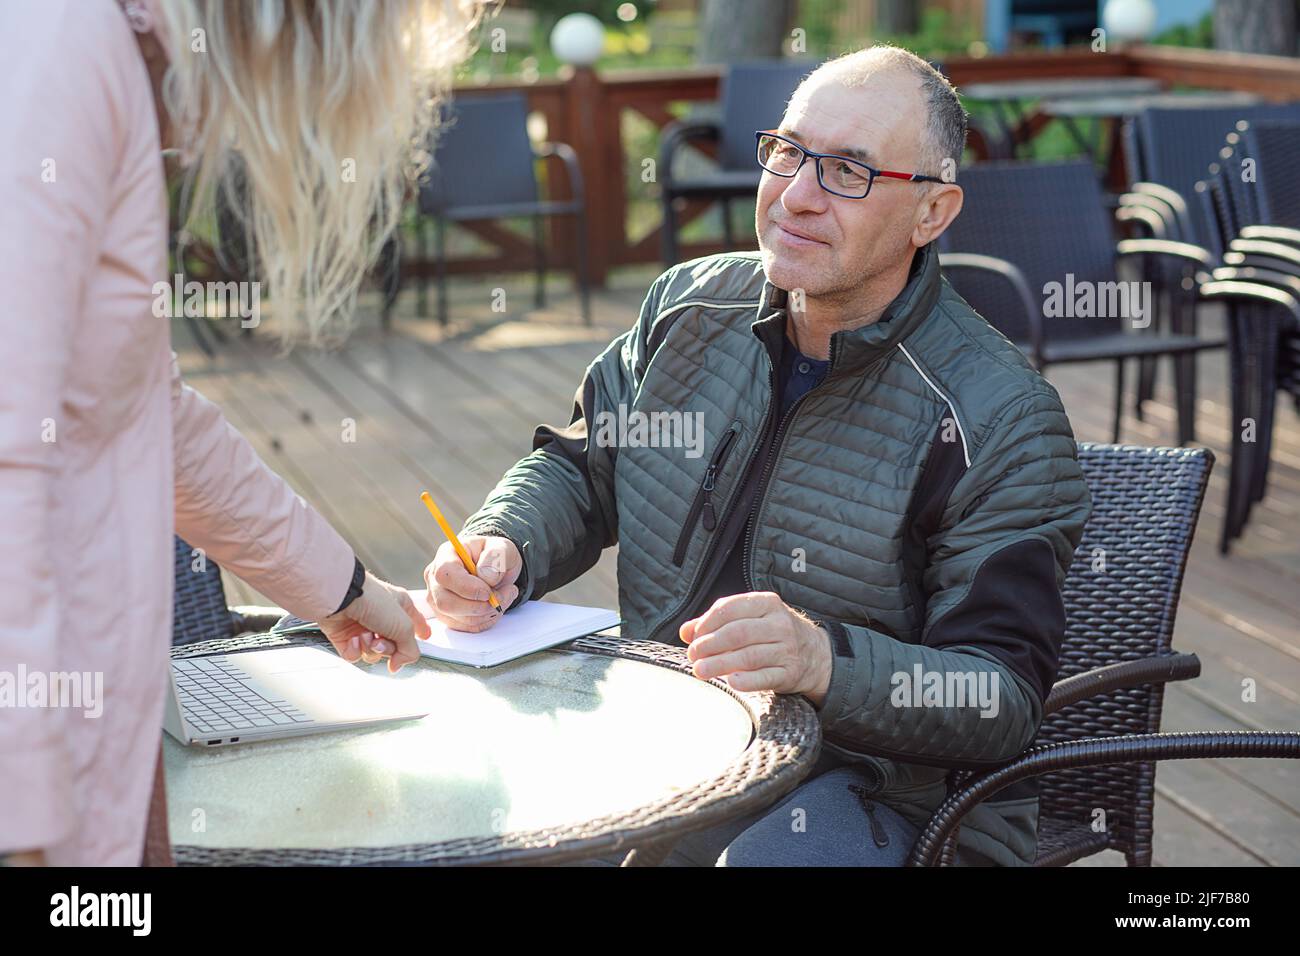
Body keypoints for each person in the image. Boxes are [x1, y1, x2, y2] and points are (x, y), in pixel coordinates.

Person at [424, 45, 1092, 866]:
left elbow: (1000, 698)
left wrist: (823, 662)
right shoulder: (688, 308)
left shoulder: (1000, 416)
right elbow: (578, 467)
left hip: (896, 792)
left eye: (849, 170)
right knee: (466, 806)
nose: (797, 196)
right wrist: (504, 544)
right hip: (674, 725)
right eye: (789, 150)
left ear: (933, 213)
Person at [0, 0, 483, 866]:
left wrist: (341, 589)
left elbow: (152, 412)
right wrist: (29, 815)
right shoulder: (58, 49)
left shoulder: (116, 55)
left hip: (91, 728)